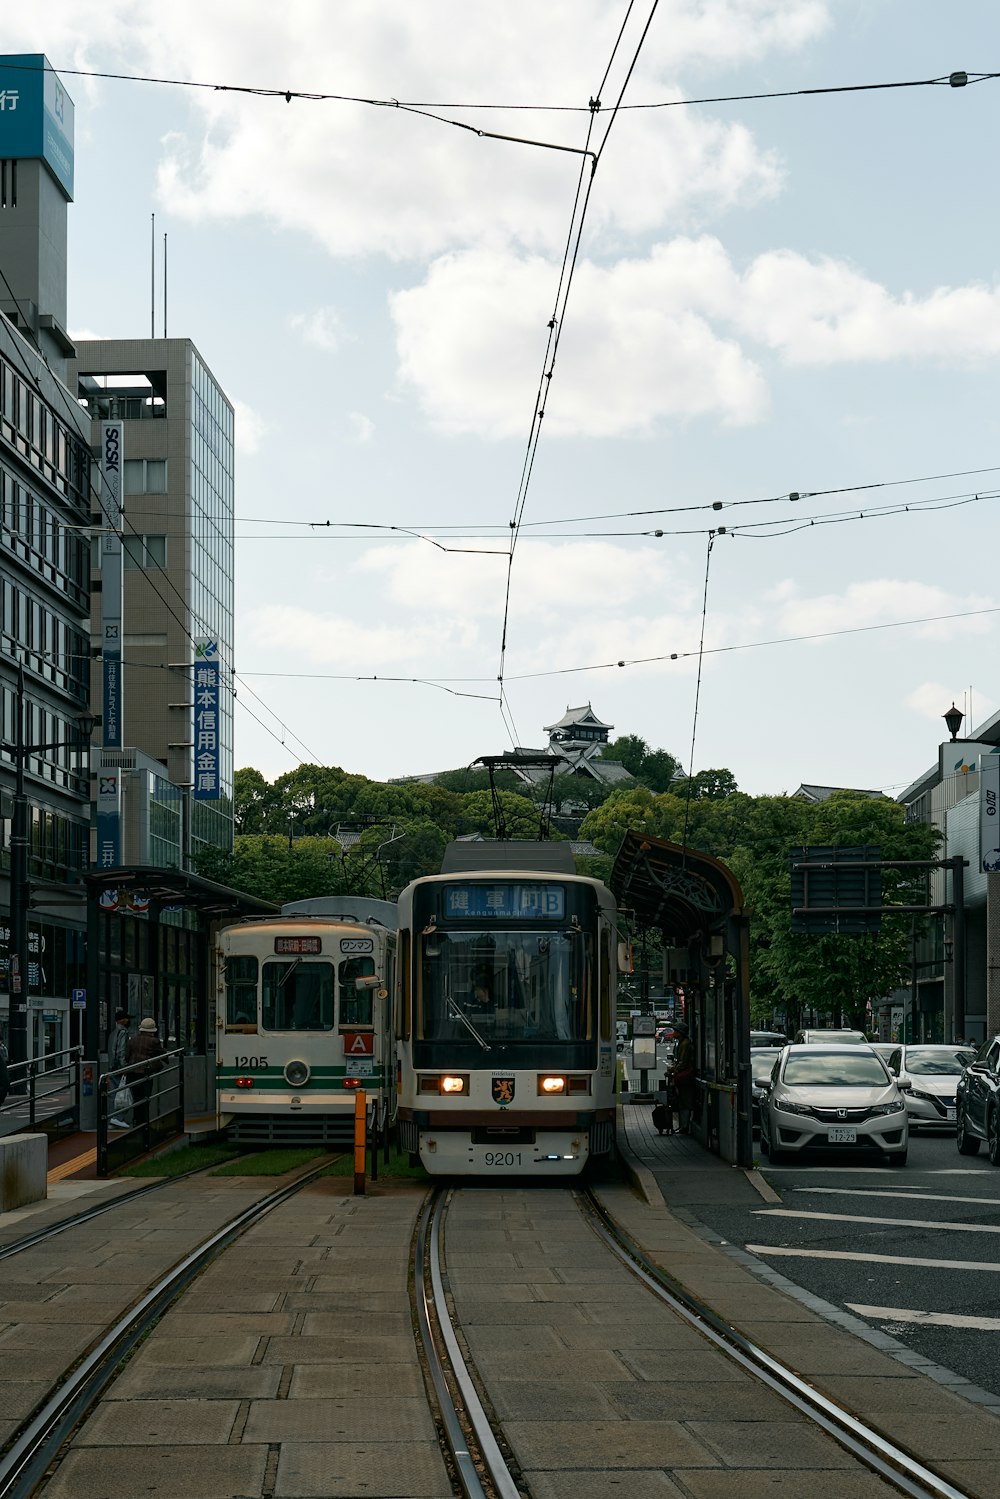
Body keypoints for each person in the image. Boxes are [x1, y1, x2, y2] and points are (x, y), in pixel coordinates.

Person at [125, 1017, 166, 1131]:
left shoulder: (132, 1040)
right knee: (145, 1098)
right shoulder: (154, 1041)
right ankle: (144, 1124)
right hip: (145, 1072)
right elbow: (162, 1053)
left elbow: (127, 1056)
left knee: (136, 1098)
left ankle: (136, 1122)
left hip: (132, 1073)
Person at [670, 1021, 696, 1135]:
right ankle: (683, 1125)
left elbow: (683, 1062)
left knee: (684, 1102)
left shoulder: (685, 1044)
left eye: (675, 1030)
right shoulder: (682, 1042)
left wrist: (673, 1069)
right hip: (684, 1076)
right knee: (682, 1101)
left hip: (685, 1078)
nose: (673, 1032)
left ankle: (684, 1126)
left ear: (680, 1032)